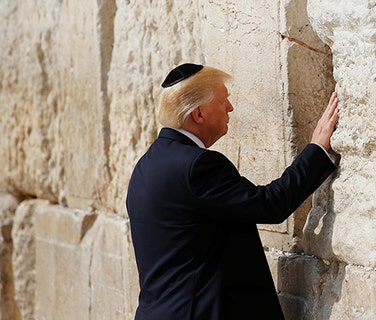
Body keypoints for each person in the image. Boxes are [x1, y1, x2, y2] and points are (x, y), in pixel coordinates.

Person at [126, 63, 339, 320]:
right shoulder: (197, 166)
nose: (230, 108)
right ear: (199, 114)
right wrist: (316, 150)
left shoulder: (145, 166)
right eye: (223, 100)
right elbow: (270, 205)